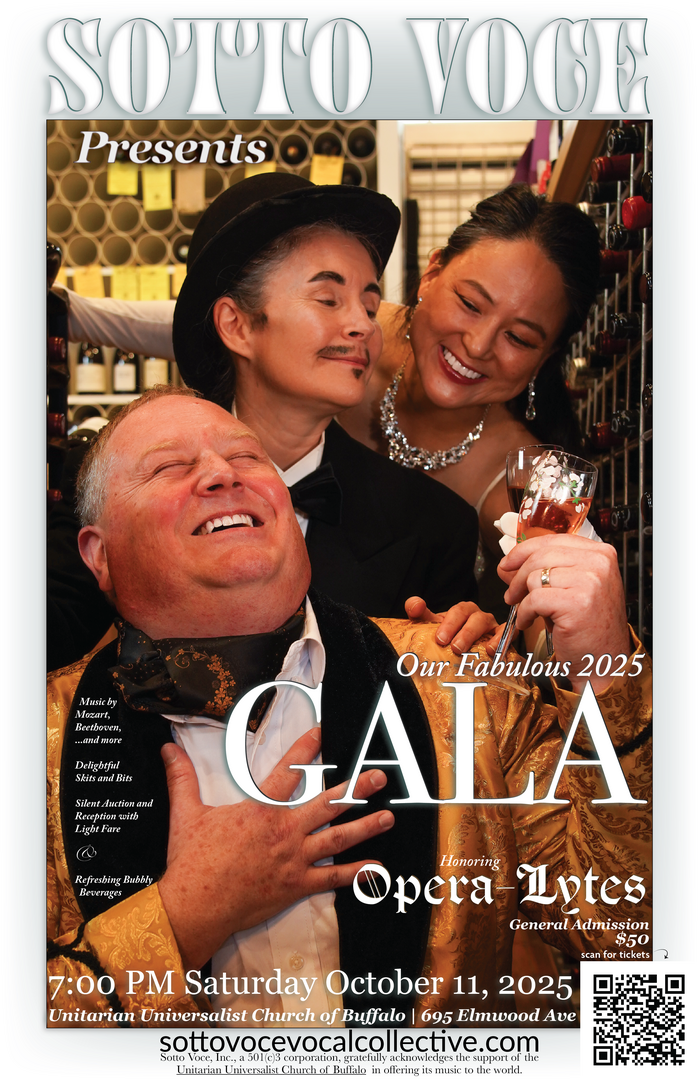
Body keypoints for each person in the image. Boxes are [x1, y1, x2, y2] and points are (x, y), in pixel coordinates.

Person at [48, 388, 651, 1029]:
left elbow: (632, 936)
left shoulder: (458, 679)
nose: (223, 473)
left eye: (247, 457)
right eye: (170, 466)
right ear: (98, 554)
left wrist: (607, 673)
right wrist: (184, 918)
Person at [59, 185, 599, 623]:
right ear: (432, 274)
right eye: (469, 303)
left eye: (520, 338)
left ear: (547, 356)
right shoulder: (370, 332)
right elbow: (215, 317)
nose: (477, 346)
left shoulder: (528, 482)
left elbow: (555, 625)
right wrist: (68, 313)